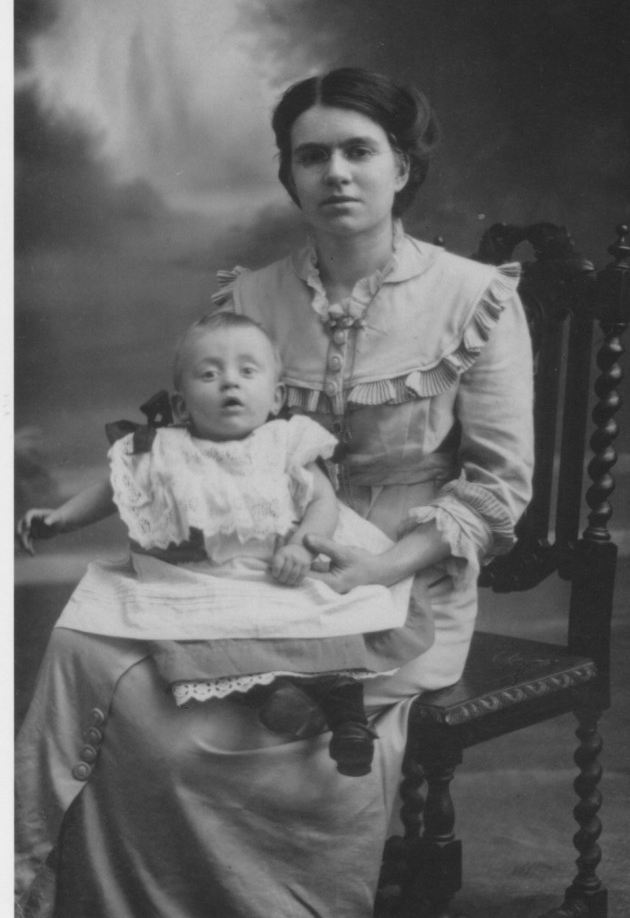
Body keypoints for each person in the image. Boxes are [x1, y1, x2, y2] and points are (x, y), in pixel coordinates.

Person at [16, 67, 534, 918]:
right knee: (117, 697)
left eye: (360, 151)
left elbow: (497, 488)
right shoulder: (249, 297)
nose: (336, 173)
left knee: (226, 741)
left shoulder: (473, 298)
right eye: (312, 155)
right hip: (250, 572)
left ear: (401, 167)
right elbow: (178, 433)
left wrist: (374, 574)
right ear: (289, 174)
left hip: (405, 573)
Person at [17, 312, 434, 780]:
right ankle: (270, 696)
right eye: (209, 373)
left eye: (247, 371)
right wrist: (58, 518)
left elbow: (323, 503)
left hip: (280, 572)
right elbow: (113, 491)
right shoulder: (162, 447)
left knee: (328, 626)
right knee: (202, 641)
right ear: (180, 405)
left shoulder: (284, 442)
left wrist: (300, 545)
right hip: (201, 580)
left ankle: (349, 721)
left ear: (275, 396)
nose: (229, 383)